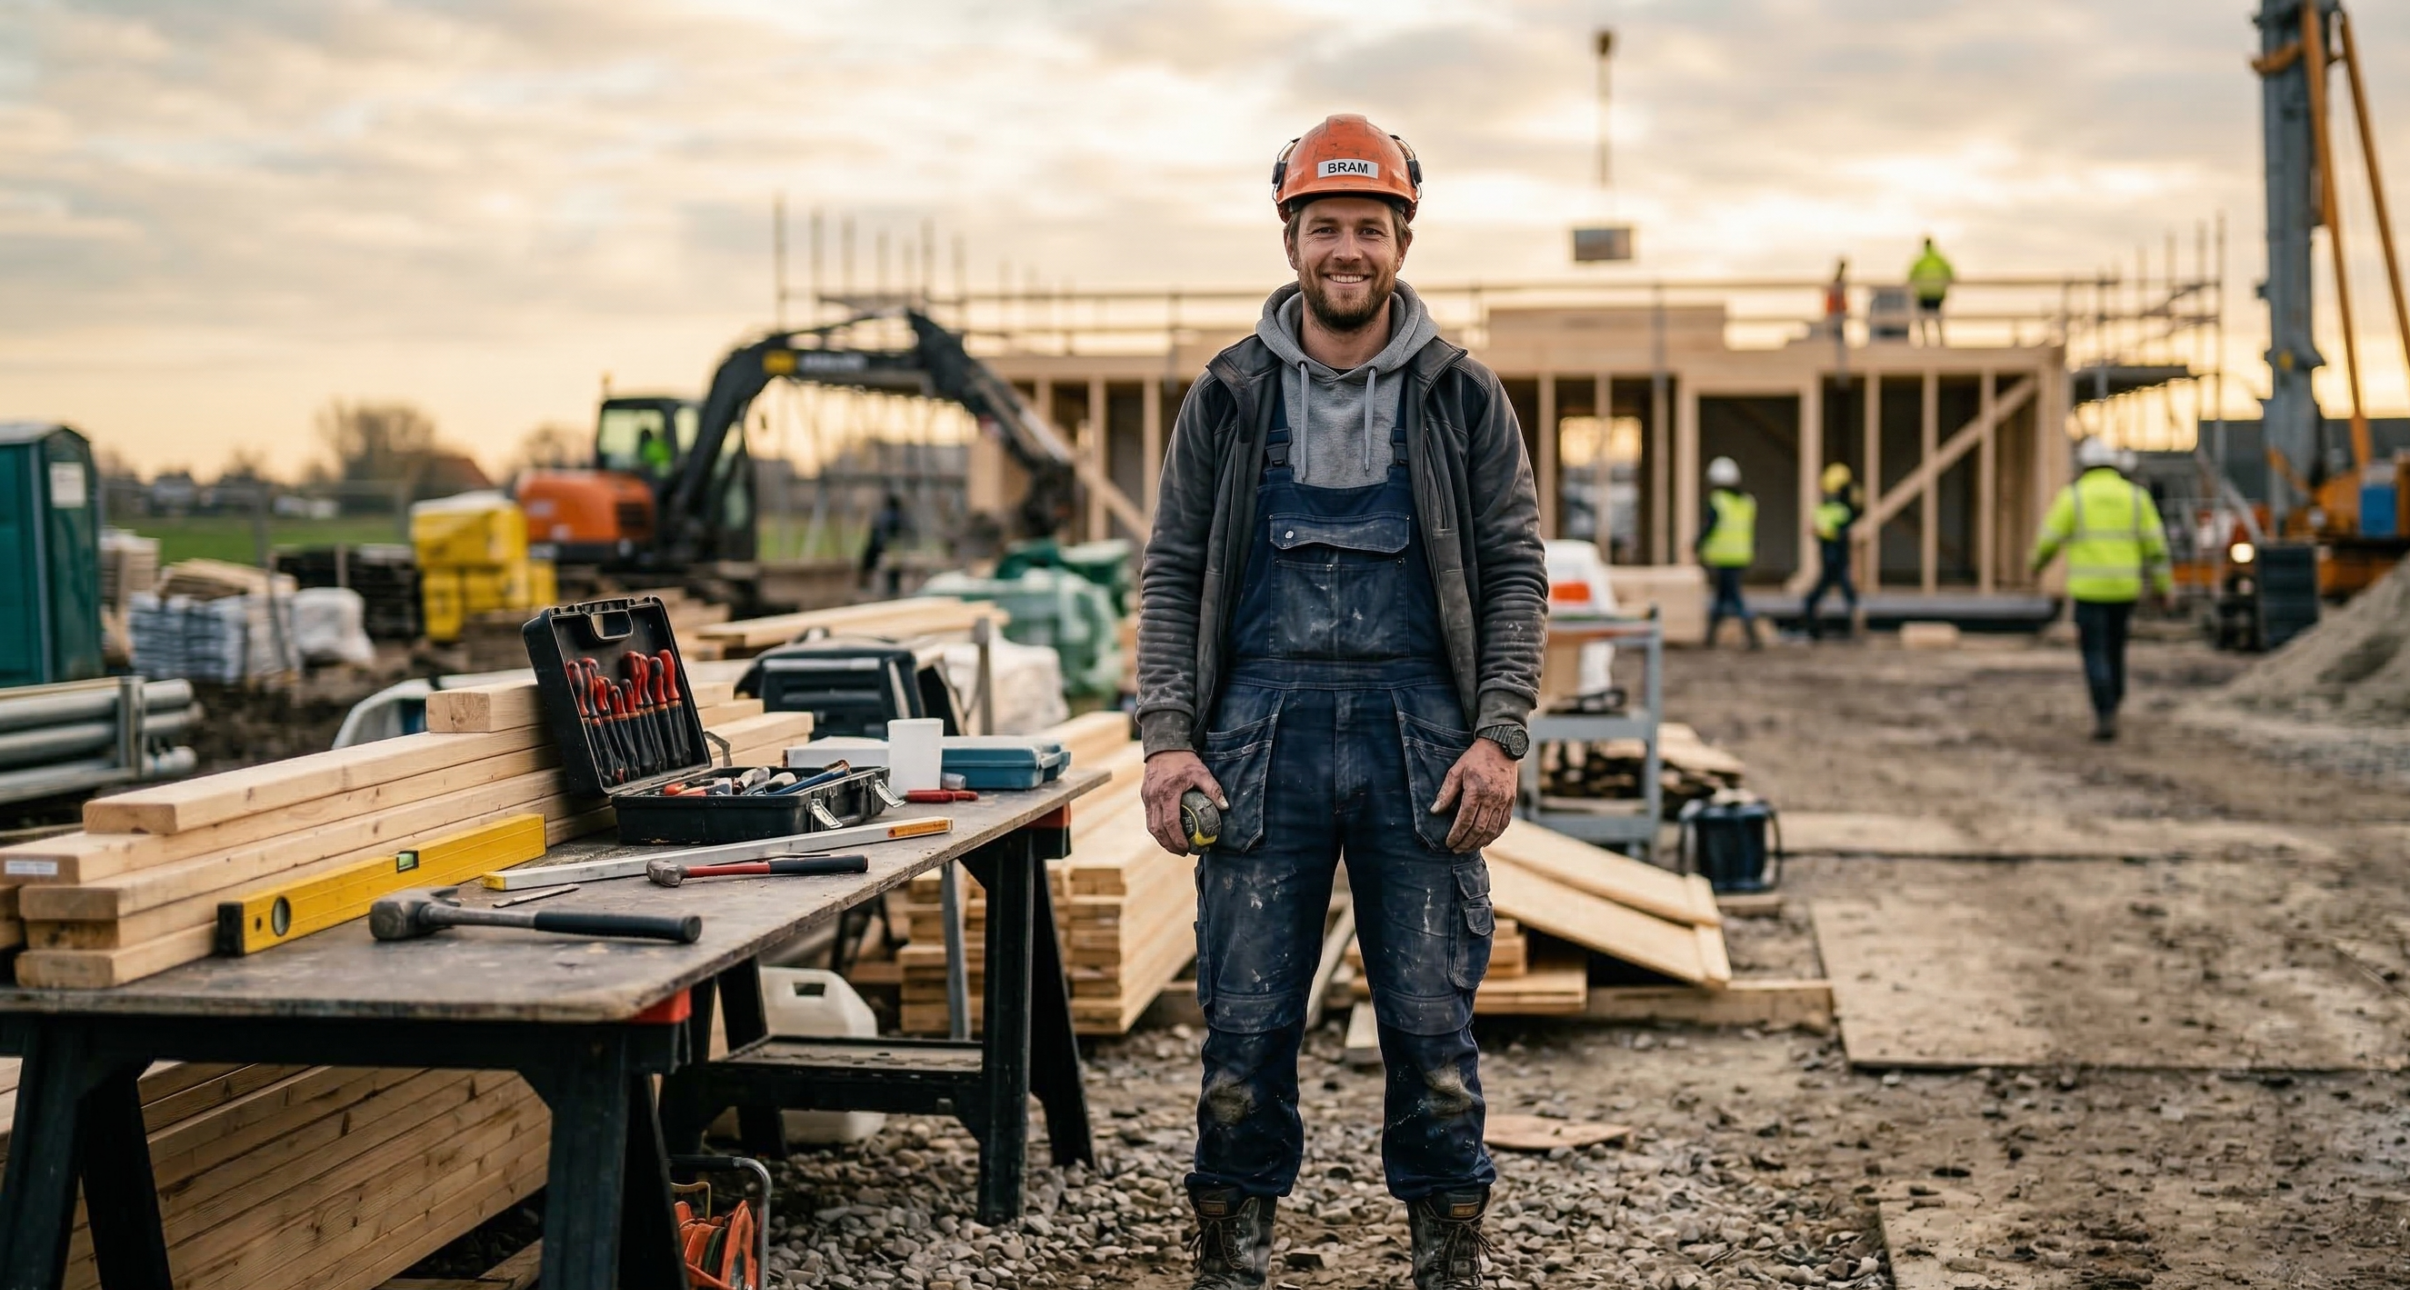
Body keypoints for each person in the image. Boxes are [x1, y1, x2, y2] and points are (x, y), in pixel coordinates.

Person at [1135, 113, 1546, 1290]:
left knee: (1428, 1025)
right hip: (1260, 738)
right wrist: (1168, 742)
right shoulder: (1227, 395)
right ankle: (1233, 1254)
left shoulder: (1461, 396)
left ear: (1404, 240)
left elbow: (1514, 569)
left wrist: (1499, 733)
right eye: (1325, 227)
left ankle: (1446, 1256)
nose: (1347, 249)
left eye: (1370, 226)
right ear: (1290, 237)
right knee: (1246, 1024)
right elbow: (1170, 571)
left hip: (1421, 736)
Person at [2029, 438, 2172, 741]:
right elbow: (2157, 548)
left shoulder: (2074, 497)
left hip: (2089, 590)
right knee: (2115, 649)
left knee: (2094, 652)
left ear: (2084, 465)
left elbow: (2049, 538)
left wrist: (2036, 565)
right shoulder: (2136, 497)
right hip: (2124, 589)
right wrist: (2163, 587)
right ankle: (2114, 701)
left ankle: (2104, 709)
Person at [1696, 456, 1761, 648]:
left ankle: (1751, 631)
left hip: (1723, 556)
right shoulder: (1747, 502)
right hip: (1742, 555)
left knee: (1733, 598)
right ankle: (1710, 638)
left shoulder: (1718, 501)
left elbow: (1709, 527)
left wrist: (1697, 544)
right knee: (1722, 595)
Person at [1802, 463, 1861, 639]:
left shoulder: (1825, 510)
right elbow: (1849, 519)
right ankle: (1851, 625)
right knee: (1841, 591)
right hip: (1835, 558)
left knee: (1832, 591)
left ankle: (1814, 620)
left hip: (1833, 558)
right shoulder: (1840, 511)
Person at [858, 491, 911, 594]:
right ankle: (893, 589)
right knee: (894, 569)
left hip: (879, 545)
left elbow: (875, 530)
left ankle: (865, 585)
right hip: (892, 547)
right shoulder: (900, 516)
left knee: (869, 564)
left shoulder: (884, 515)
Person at [1908, 235, 1955, 345]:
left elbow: (1910, 277)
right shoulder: (1940, 259)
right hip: (1937, 293)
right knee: (1938, 318)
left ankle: (1925, 341)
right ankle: (1941, 341)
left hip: (1923, 293)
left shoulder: (1920, 260)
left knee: (1923, 318)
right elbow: (1950, 273)